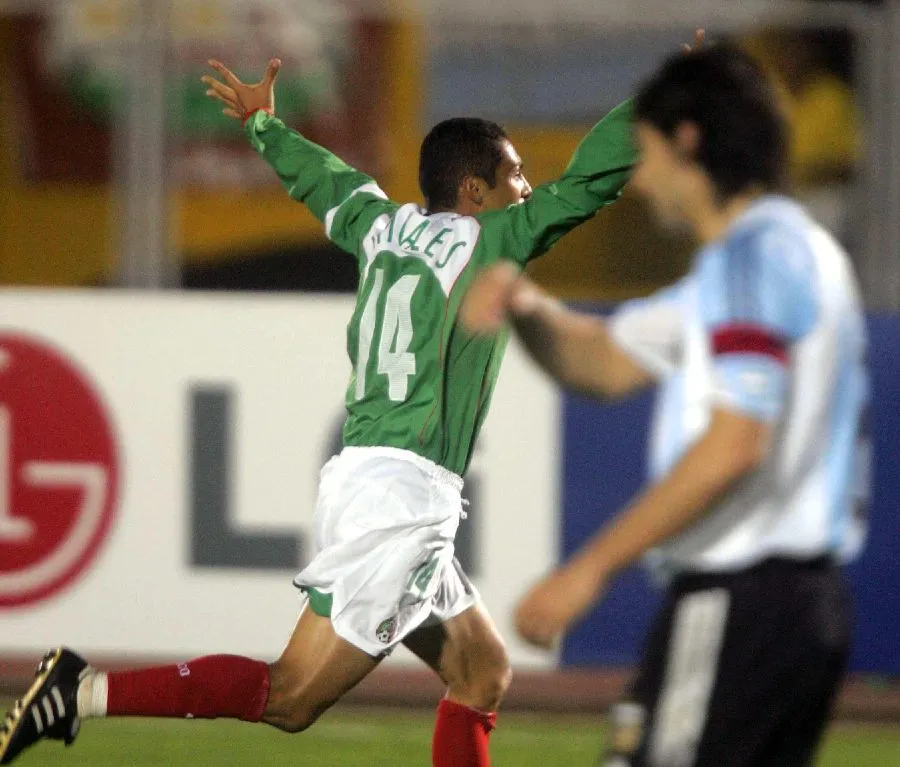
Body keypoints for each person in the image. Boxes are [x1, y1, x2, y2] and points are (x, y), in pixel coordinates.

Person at [0, 55, 636, 767]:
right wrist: (664, 107)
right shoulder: (494, 240)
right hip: (403, 501)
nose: (526, 189)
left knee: (480, 671)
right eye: (515, 175)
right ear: (474, 190)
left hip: (367, 479)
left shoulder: (378, 225)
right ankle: (81, 692)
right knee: (292, 696)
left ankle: (80, 691)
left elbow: (320, 178)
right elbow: (589, 183)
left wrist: (264, 125)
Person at [461, 45, 868, 767]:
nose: (641, 179)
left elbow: (735, 443)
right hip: (787, 607)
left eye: (645, 152)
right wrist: (525, 305)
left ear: (688, 142)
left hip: (742, 599)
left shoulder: (751, 258)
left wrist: (587, 569)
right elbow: (606, 363)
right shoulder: (776, 255)